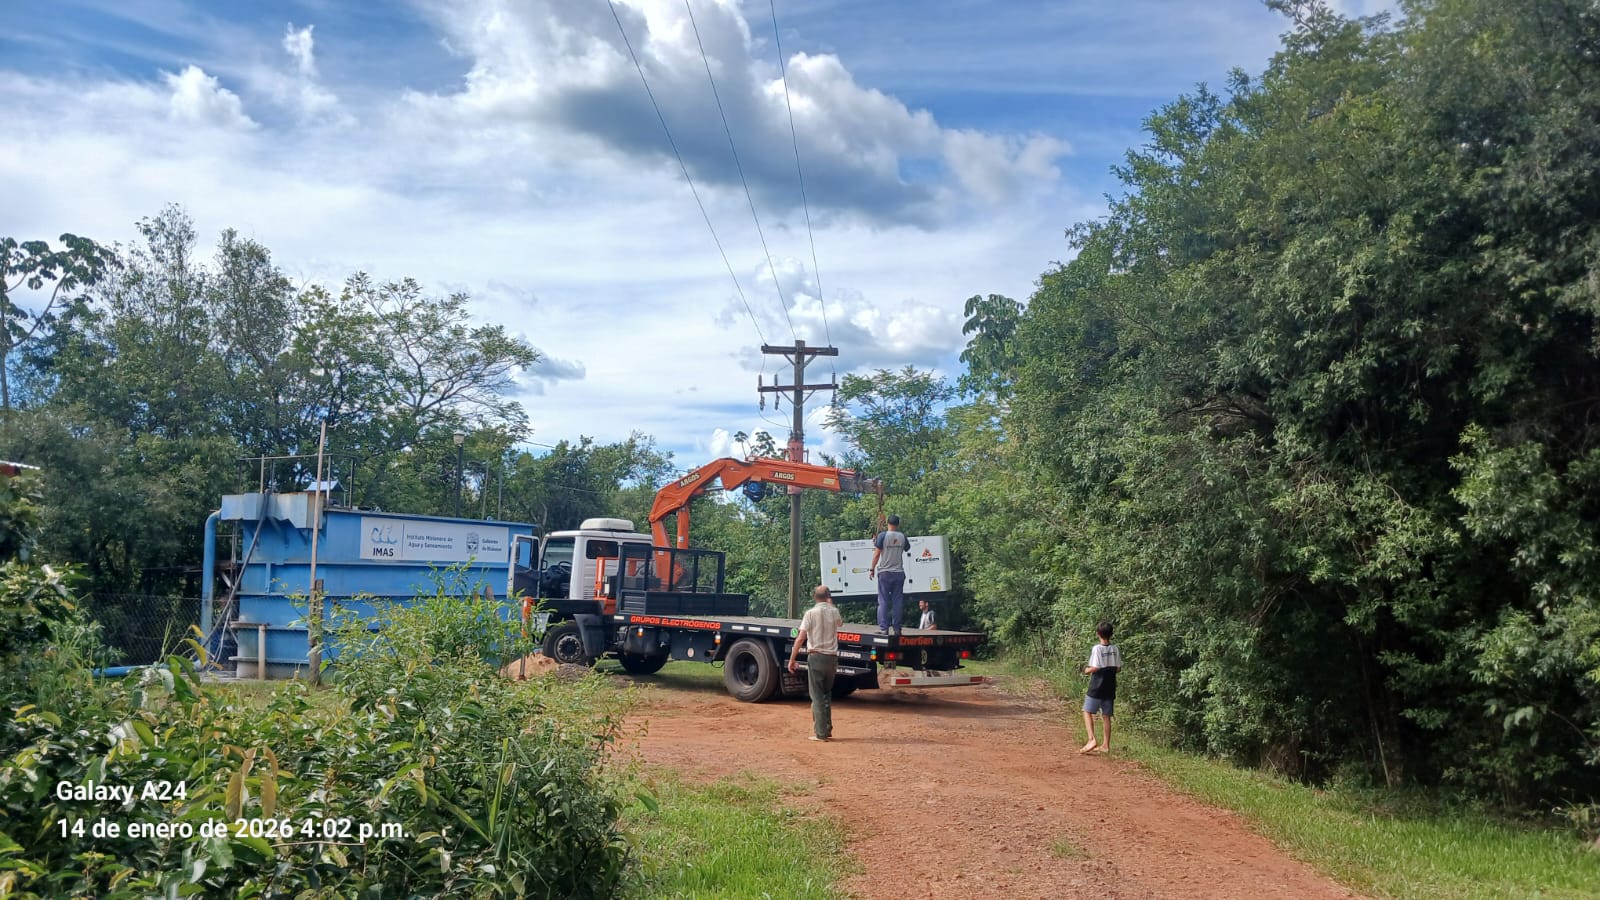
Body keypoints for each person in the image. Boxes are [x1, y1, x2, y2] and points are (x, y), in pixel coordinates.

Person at [787, 584, 843, 742]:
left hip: (816, 656)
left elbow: (801, 638)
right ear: (828, 597)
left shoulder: (810, 613)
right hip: (831, 658)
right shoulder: (834, 611)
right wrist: (831, 604)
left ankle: (821, 733)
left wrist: (792, 659)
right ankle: (827, 728)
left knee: (817, 695)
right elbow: (840, 623)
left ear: (814, 597)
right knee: (826, 693)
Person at [1079, 621, 1122, 754]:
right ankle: (1106, 745)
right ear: (1111, 634)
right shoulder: (1115, 649)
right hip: (1110, 685)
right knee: (1106, 716)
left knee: (1086, 711)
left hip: (1097, 684)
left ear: (1098, 634)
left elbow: (1096, 667)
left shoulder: (1097, 648)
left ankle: (1091, 739)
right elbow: (1118, 668)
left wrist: (1086, 670)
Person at [869, 514, 909, 635]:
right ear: (898, 524)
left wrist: (872, 569)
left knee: (883, 601)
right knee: (897, 601)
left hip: (885, 573)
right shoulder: (902, 536)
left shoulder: (882, 536)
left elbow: (877, 554)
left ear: (888, 523)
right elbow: (907, 548)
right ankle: (897, 629)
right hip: (899, 573)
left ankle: (884, 628)